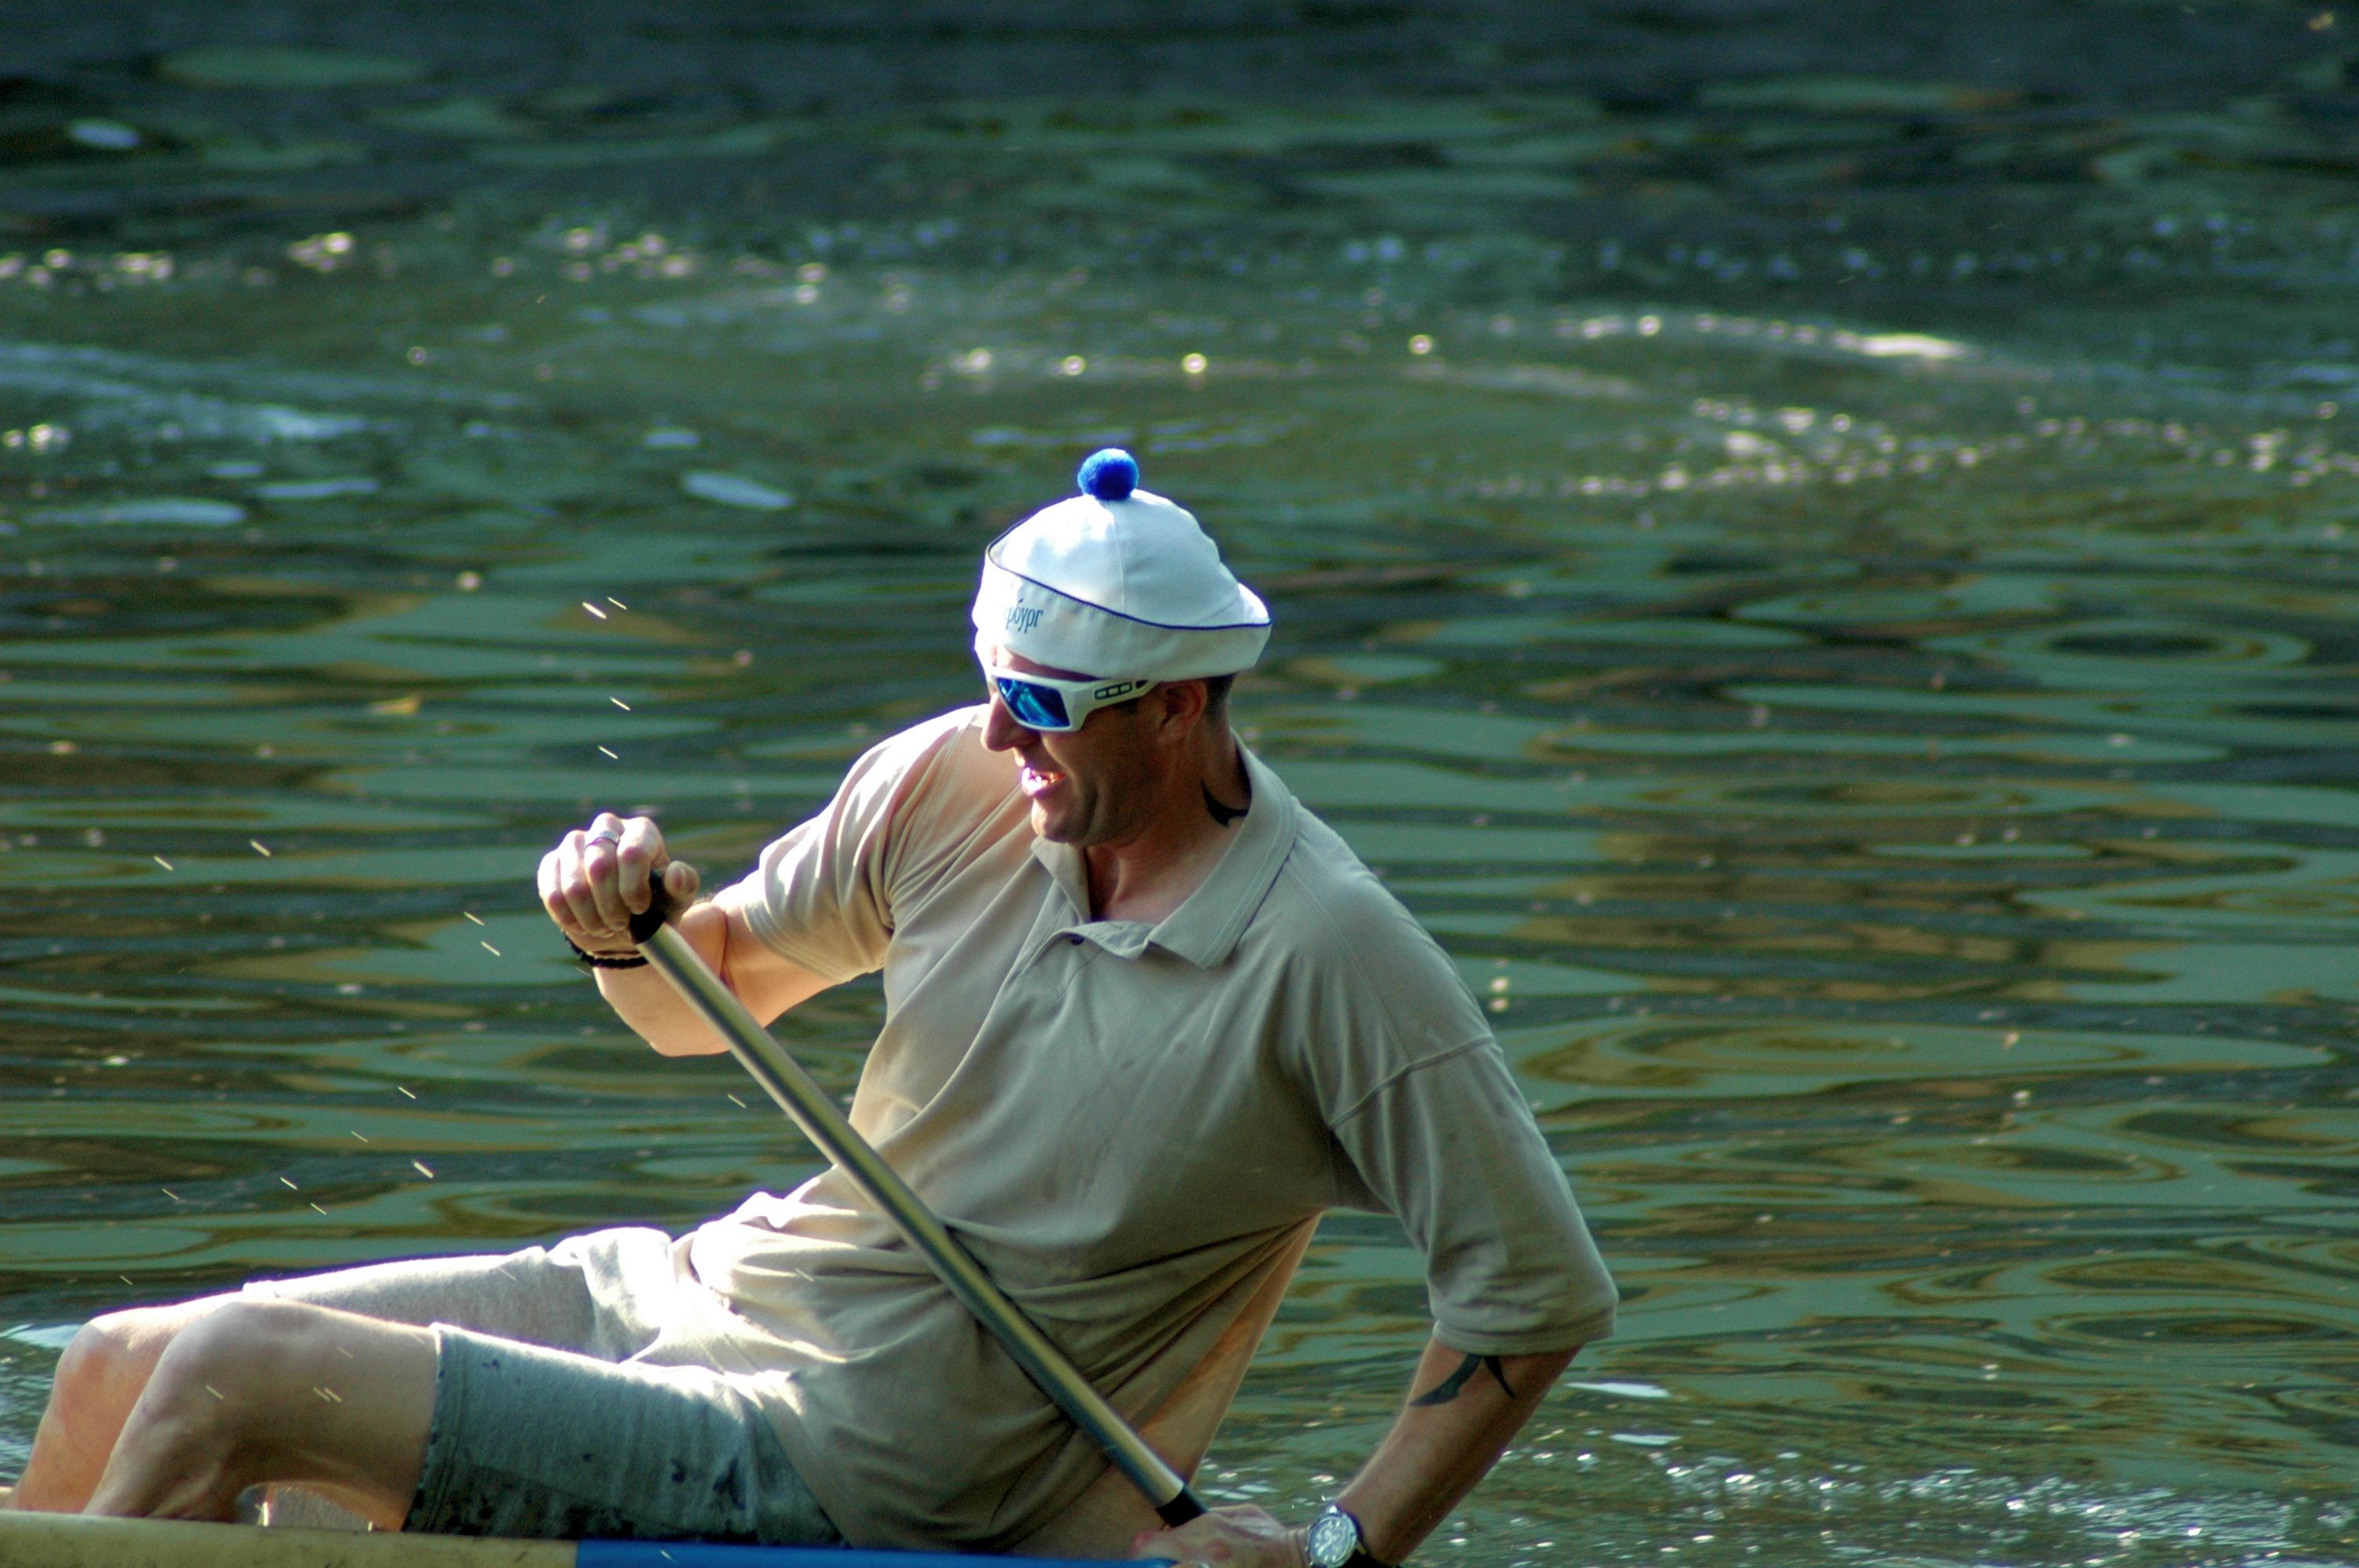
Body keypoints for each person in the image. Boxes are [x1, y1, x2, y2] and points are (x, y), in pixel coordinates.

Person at [5, 449, 1616, 1566]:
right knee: (122, 1360)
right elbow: (700, 1002)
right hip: (698, 1293)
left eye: (1043, 703)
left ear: (1181, 705)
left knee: (238, 1371)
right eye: (991, 678)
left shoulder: (1329, 950)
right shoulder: (953, 782)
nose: (1001, 733)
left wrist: (1336, 1552)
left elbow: (1533, 1294)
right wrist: (623, 927)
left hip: (870, 1449)